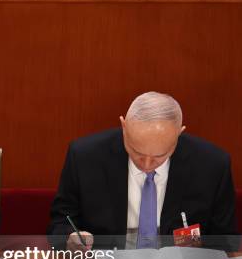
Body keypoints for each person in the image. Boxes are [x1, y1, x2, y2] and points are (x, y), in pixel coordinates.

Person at [48, 91, 238, 250]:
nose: (146, 165)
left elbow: (225, 240)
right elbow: (60, 223)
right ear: (124, 127)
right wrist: (71, 237)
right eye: (136, 152)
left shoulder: (211, 164)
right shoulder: (85, 156)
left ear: (179, 134)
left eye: (159, 156)